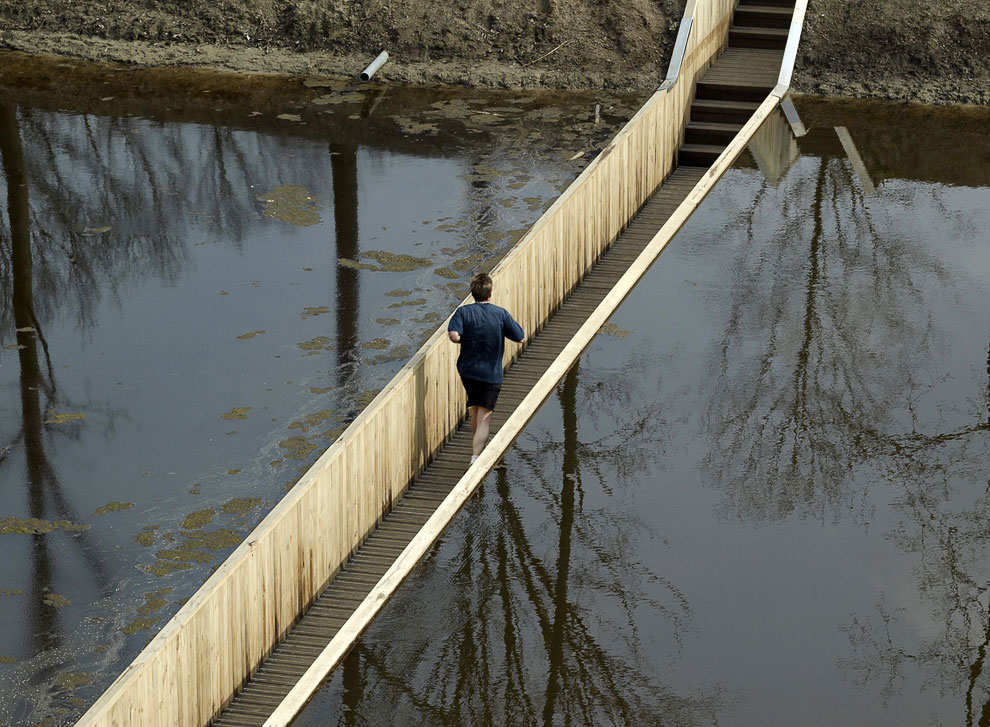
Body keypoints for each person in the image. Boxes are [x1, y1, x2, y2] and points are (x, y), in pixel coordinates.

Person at [448, 272, 525, 463]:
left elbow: (454, 335)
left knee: (477, 408)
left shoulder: (463, 312)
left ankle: (477, 446)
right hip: (490, 373)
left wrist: (465, 338)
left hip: (467, 370)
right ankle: (476, 457)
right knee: (485, 414)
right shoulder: (500, 313)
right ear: (489, 294)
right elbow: (520, 337)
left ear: (473, 293)